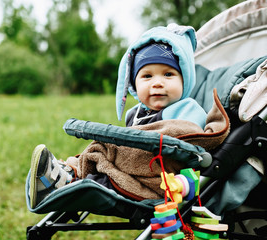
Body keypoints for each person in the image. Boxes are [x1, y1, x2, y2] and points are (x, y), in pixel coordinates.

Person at [28, 24, 207, 208]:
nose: (158, 83)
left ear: (185, 79)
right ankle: (70, 171)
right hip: (130, 170)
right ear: (134, 84)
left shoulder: (186, 109)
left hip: (158, 179)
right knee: (102, 152)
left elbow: (192, 138)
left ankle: (67, 182)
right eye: (147, 76)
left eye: (168, 74)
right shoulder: (135, 113)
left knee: (104, 166)